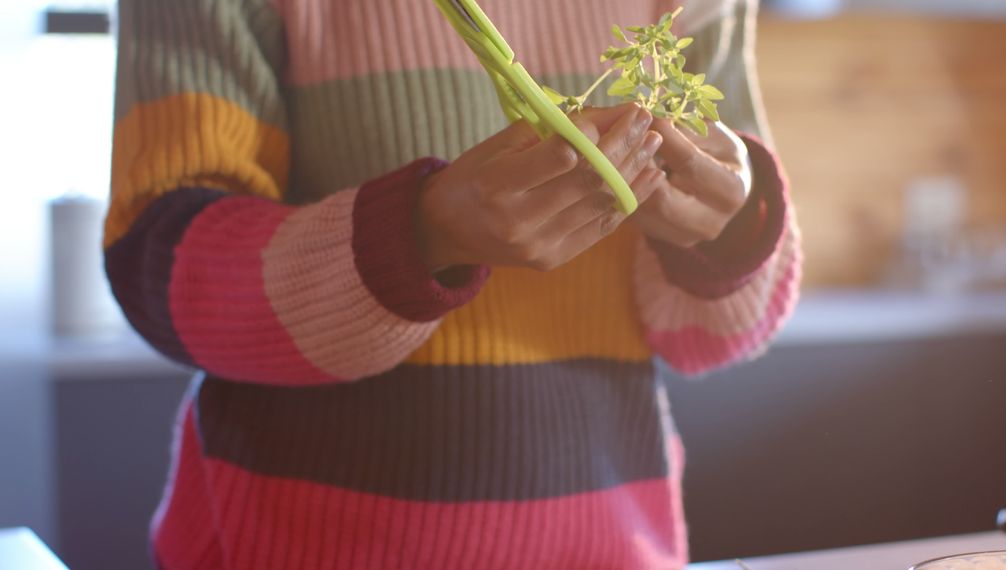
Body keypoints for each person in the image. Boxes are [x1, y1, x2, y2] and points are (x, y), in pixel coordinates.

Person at [104, 0, 800, 567]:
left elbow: (717, 335)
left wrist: (732, 232)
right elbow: (163, 275)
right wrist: (423, 234)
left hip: (612, 547)